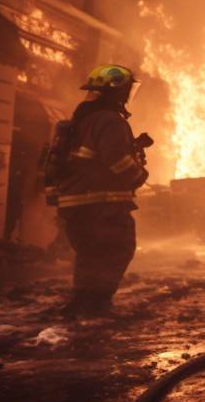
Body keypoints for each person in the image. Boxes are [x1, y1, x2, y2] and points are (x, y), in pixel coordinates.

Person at [52, 65, 149, 317]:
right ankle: (99, 305)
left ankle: (81, 303)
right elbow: (117, 161)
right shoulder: (109, 120)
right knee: (118, 248)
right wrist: (139, 174)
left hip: (75, 205)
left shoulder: (78, 122)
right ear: (117, 92)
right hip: (102, 204)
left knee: (90, 254)